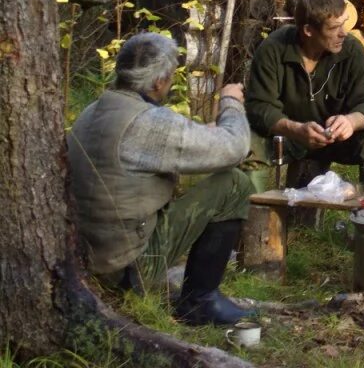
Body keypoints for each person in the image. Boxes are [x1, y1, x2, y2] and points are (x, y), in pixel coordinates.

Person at [67, 32, 255, 326]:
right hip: (129, 269)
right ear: (159, 82)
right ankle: (201, 301)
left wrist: (203, 135)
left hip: (86, 259)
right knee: (233, 184)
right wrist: (231, 102)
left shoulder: (93, 111)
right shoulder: (148, 123)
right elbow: (236, 147)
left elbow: (158, 142)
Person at [245, 0, 364, 193]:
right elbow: (259, 107)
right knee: (249, 143)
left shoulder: (351, 50)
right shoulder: (274, 49)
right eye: (334, 28)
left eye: (343, 23)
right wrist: (295, 129)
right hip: (289, 136)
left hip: (337, 139)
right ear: (308, 30)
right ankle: (251, 216)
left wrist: (351, 121)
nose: (343, 33)